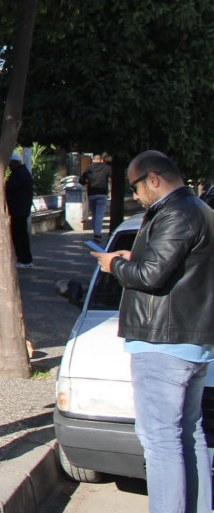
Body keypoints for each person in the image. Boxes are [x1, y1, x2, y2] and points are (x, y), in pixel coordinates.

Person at [90, 151, 214, 513]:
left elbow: (150, 276)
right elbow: (171, 269)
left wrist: (115, 264)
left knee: (160, 441)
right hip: (190, 342)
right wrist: (134, 259)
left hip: (164, 341)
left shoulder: (175, 212)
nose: (136, 195)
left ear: (154, 178)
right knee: (189, 435)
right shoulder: (200, 210)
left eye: (135, 186)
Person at [5, 152, 35, 268]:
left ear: (15, 162)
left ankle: (25, 260)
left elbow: (9, 187)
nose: (8, 166)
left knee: (20, 236)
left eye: (10, 163)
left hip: (19, 210)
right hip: (20, 209)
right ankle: (23, 258)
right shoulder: (20, 172)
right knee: (19, 235)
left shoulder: (20, 174)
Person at [79, 153, 111, 240]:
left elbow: (81, 180)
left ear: (93, 160)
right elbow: (112, 177)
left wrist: (87, 182)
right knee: (99, 215)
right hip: (102, 194)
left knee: (94, 214)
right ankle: (97, 234)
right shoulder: (106, 168)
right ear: (101, 160)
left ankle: (95, 232)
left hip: (91, 194)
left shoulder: (89, 168)